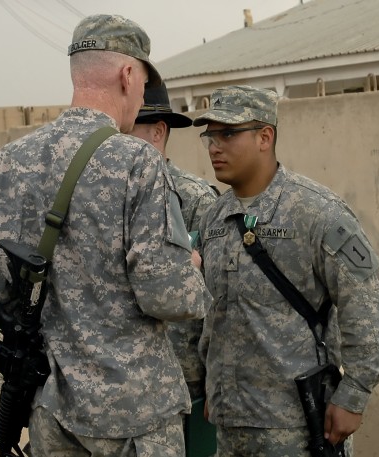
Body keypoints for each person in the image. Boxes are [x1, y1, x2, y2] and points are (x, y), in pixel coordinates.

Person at [0, 13, 212, 457]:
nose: (141, 97)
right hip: (133, 419)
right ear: (127, 75)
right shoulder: (138, 163)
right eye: (143, 84)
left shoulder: (6, 164)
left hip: (50, 411)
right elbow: (172, 298)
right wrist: (190, 270)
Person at [194, 85, 379, 456]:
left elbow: (366, 304)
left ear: (265, 136)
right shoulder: (215, 218)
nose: (214, 147)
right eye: (210, 136)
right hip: (229, 422)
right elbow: (213, 315)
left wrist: (355, 393)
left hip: (295, 426)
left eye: (229, 134)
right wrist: (214, 387)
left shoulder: (316, 212)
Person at [130, 81, 220, 401]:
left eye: (127, 132)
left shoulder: (195, 199)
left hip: (185, 376)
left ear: (157, 133)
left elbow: (218, 298)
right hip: (131, 373)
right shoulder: (113, 197)